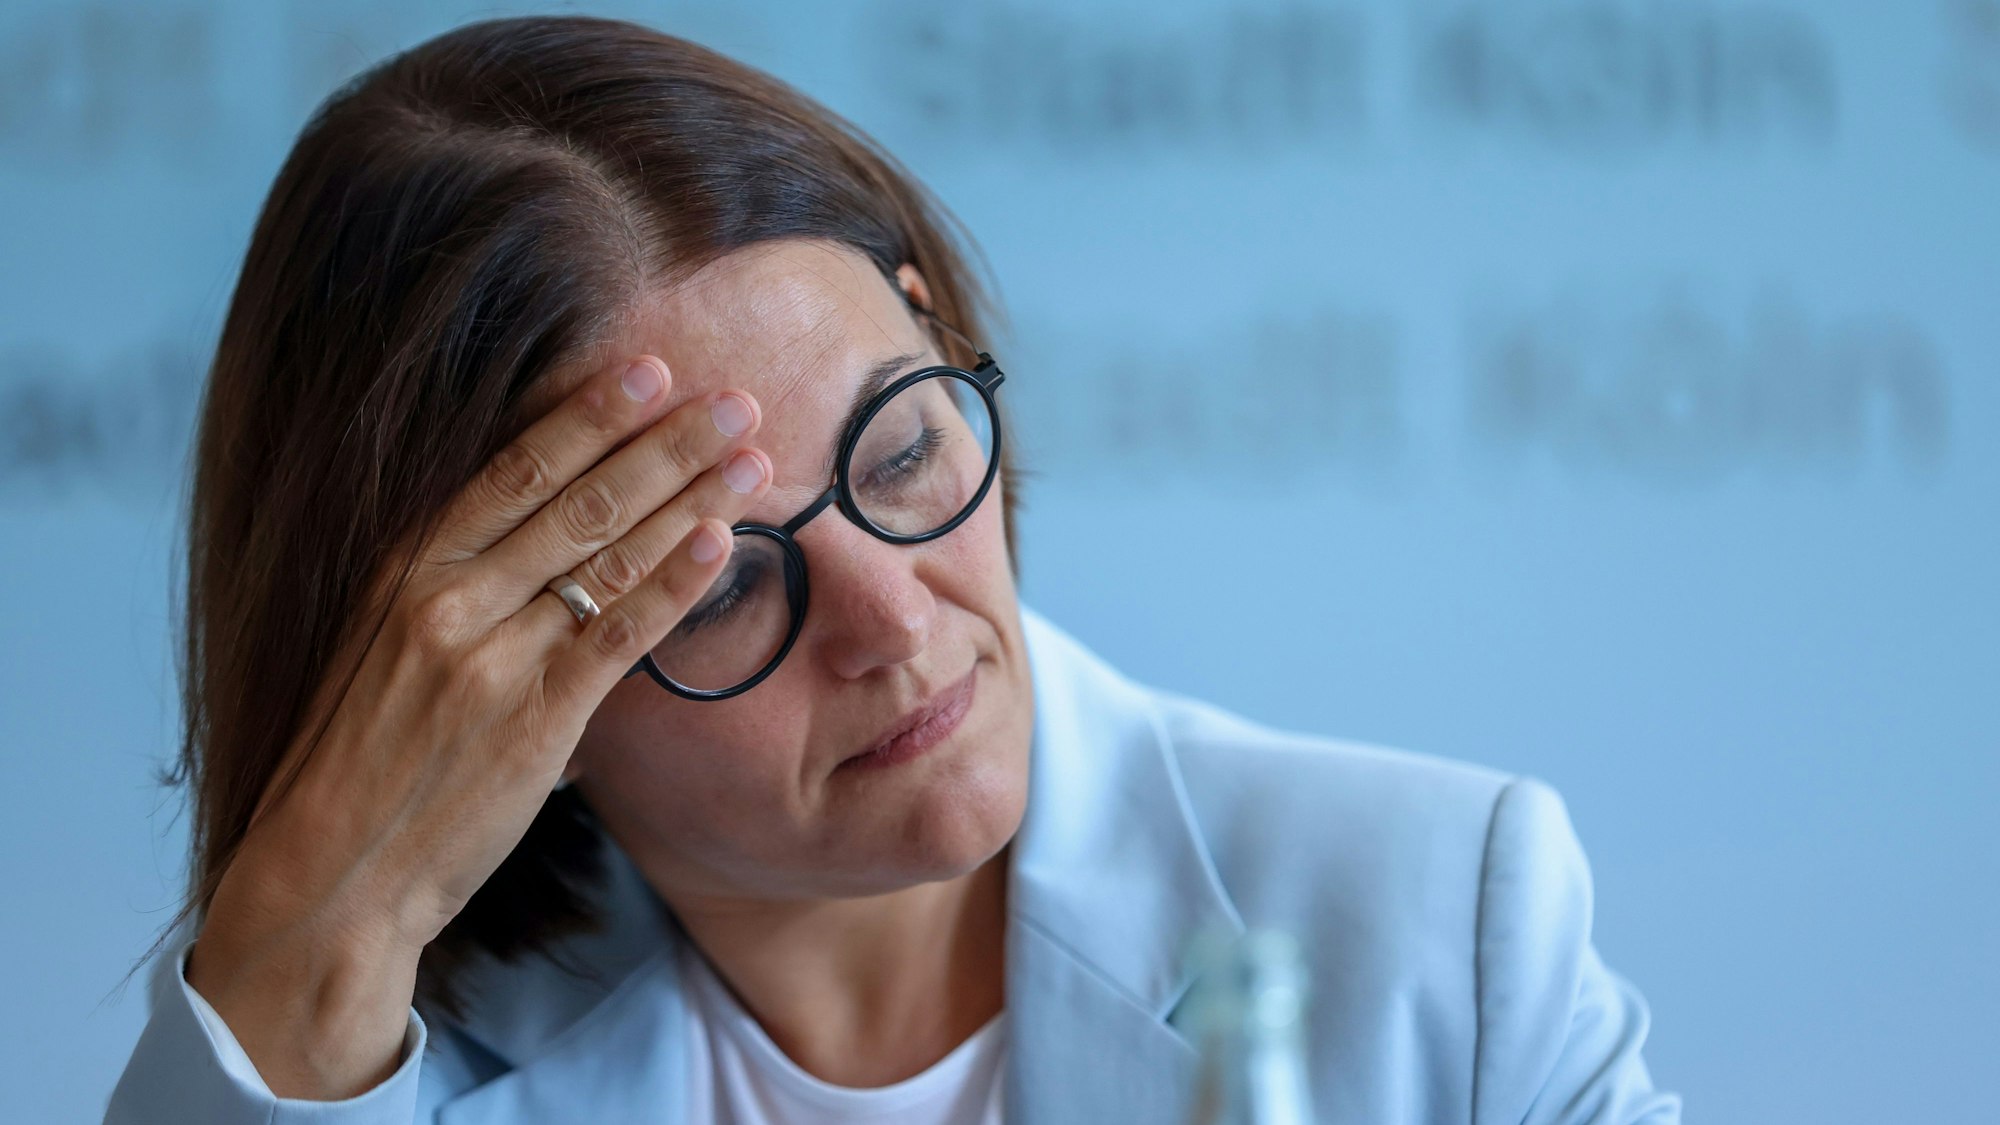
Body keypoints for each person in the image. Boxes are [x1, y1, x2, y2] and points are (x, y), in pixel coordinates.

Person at [103, 14, 1680, 1125]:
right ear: (478, 673)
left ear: (945, 333)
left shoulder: (1437, 922)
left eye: (907, 451)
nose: (894, 617)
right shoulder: (378, 1067)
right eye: (718, 585)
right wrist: (326, 930)